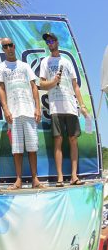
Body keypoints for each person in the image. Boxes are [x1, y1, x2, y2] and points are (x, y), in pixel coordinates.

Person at [39, 32, 89, 186]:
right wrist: (53, 81)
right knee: (58, 140)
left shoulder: (67, 61)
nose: (50, 43)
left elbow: (75, 85)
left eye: (52, 40)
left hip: (70, 106)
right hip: (55, 107)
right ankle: (60, 177)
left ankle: (74, 176)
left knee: (73, 140)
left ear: (57, 42)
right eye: (48, 41)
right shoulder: (44, 62)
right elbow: (41, 84)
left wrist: (82, 105)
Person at [0, 37, 44, 190]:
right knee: (16, 149)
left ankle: (35, 179)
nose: (8, 48)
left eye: (10, 45)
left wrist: (38, 108)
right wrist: (5, 109)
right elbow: (1, 89)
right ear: (2, 49)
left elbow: (34, 87)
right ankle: (18, 180)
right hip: (13, 113)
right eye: (5, 46)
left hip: (29, 111)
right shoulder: (0, 68)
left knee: (32, 147)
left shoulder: (25, 66)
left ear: (14, 46)